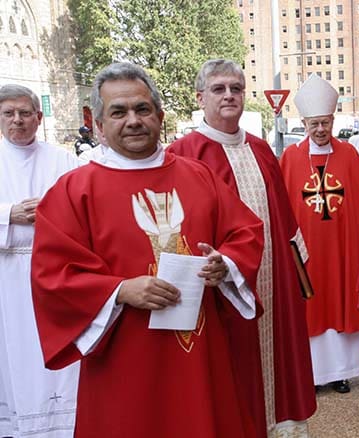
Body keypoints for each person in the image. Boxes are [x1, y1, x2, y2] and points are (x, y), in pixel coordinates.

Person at [31, 62, 265, 438]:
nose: (133, 120)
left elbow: (246, 231)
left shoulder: (198, 176)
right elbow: (53, 275)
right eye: (118, 112)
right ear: (99, 124)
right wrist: (120, 290)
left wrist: (225, 263)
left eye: (142, 109)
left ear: (159, 115)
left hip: (200, 351)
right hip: (125, 354)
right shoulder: (75, 190)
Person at [168, 59, 316, 437]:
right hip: (222, 284)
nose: (229, 96)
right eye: (219, 89)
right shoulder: (184, 152)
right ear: (200, 98)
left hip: (272, 279)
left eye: (236, 88)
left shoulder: (262, 149)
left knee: (275, 366)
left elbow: (282, 216)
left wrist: (296, 270)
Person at [279, 73, 359, 394]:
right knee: (309, 306)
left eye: (326, 123)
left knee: (341, 302)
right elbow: (282, 206)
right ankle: (311, 374)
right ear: (304, 123)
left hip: (343, 249)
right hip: (305, 252)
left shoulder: (348, 155)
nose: (320, 130)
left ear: (333, 120)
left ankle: (341, 372)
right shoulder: (290, 158)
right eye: (314, 124)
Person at [0, 84, 79, 437]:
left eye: (24, 113)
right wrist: (8, 214)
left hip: (54, 277)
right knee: (12, 358)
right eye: (8, 113)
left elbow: (85, 208)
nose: (17, 120)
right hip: (6, 278)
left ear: (39, 117)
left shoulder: (65, 162)